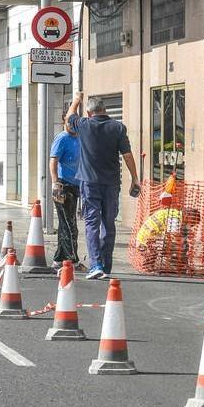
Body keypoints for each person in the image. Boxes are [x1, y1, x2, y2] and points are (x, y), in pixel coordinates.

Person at [65, 92, 141, 280]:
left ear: (90, 113)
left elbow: (69, 118)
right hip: (111, 183)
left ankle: (95, 265)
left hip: (90, 183)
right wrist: (134, 178)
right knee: (109, 223)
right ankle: (106, 266)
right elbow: (128, 155)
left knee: (92, 222)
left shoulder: (84, 125)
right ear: (105, 110)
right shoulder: (118, 127)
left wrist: (76, 100)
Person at [49, 120, 83, 267]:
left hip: (75, 185)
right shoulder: (62, 138)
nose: (73, 127)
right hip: (63, 186)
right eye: (70, 123)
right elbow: (53, 161)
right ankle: (72, 260)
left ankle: (59, 259)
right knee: (69, 225)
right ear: (64, 123)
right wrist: (55, 182)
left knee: (66, 223)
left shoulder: (79, 138)